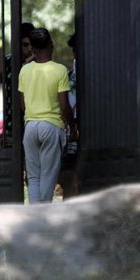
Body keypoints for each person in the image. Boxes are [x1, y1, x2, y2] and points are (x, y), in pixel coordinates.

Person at [19, 28, 75, 204]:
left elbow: (23, 104)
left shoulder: (24, 71)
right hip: (50, 126)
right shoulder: (59, 70)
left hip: (30, 127)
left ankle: (35, 216)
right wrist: (72, 127)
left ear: (32, 48)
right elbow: (64, 105)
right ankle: (43, 215)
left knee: (33, 177)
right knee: (48, 177)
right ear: (51, 45)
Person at [1, 22, 36, 148]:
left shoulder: (39, 64)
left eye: (32, 45)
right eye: (25, 45)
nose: (29, 49)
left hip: (33, 124)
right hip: (11, 124)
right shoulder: (8, 61)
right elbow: (14, 81)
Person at [58, 32, 79, 199]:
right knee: (68, 172)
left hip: (76, 128)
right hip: (72, 129)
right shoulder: (70, 76)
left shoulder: (72, 75)